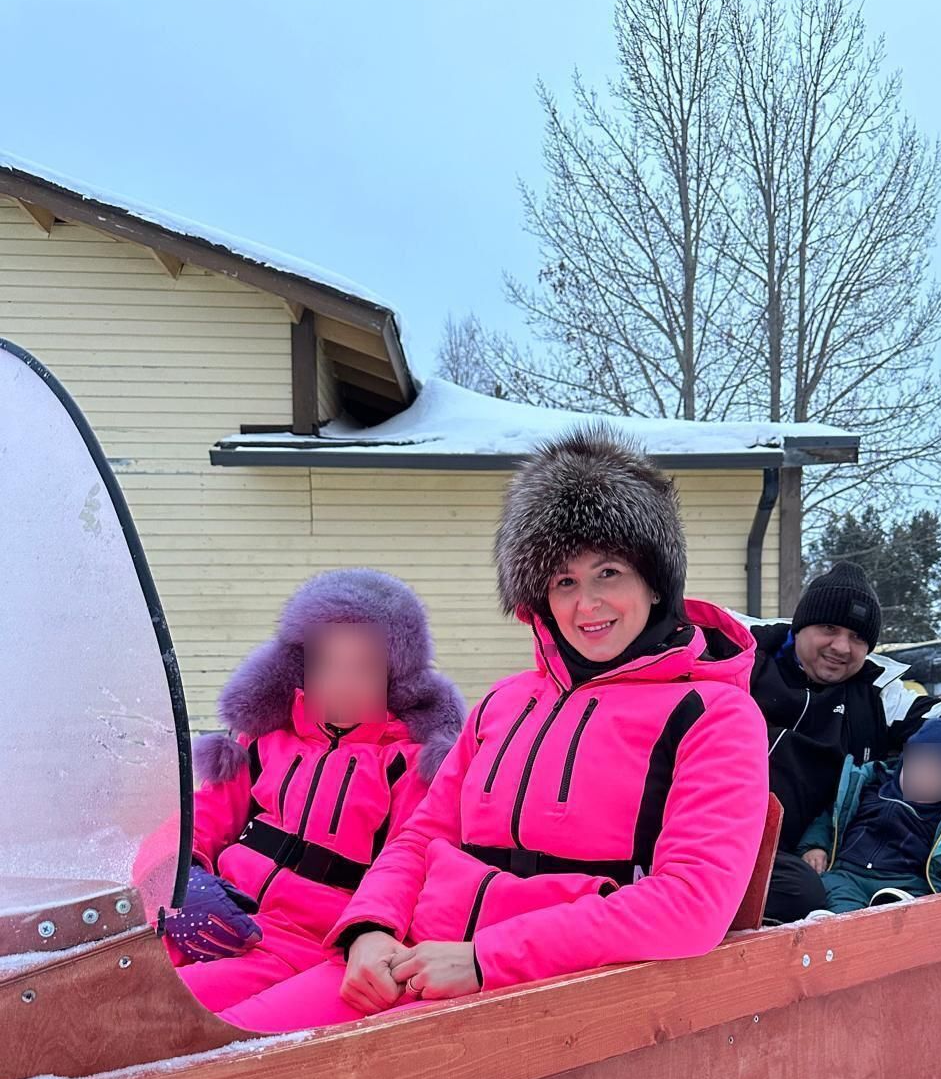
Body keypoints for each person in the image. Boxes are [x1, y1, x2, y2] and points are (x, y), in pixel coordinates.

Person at [217, 426, 769, 1033]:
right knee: (214, 1055)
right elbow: (422, 836)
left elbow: (691, 902)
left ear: (655, 580)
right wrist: (370, 930)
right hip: (414, 961)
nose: (587, 604)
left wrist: (485, 960)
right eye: (564, 581)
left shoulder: (713, 715)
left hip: (552, 995)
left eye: (608, 572)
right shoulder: (506, 702)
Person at [166, 569, 465, 1014]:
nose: (342, 682)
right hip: (221, 914)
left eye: (362, 667)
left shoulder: (406, 766)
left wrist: (367, 931)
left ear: (395, 678)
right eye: (327, 663)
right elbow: (201, 818)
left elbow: (412, 859)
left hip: (307, 947)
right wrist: (182, 878)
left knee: (171, 1014)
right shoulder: (263, 742)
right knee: (109, 994)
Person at [748, 560, 941, 921]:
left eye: (858, 637)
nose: (841, 646)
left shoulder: (880, 699)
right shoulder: (746, 665)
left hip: (806, 861)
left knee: (808, 897)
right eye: (828, 628)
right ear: (800, 626)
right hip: (716, 837)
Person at [799, 718, 941, 914]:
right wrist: (815, 845)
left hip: (907, 883)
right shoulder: (868, 788)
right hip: (848, 873)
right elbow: (830, 818)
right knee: (836, 894)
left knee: (912, 907)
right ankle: (830, 922)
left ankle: (894, 920)